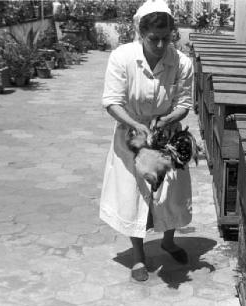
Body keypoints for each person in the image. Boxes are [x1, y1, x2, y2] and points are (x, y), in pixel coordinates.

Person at [100, 0, 194, 282]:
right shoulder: (121, 58)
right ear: (140, 34)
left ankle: (168, 240)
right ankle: (139, 256)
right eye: (154, 38)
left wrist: (164, 121)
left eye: (167, 38)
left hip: (166, 133)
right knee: (134, 192)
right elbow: (112, 102)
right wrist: (137, 125)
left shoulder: (181, 62)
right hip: (132, 133)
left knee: (171, 192)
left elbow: (184, 103)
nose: (161, 44)